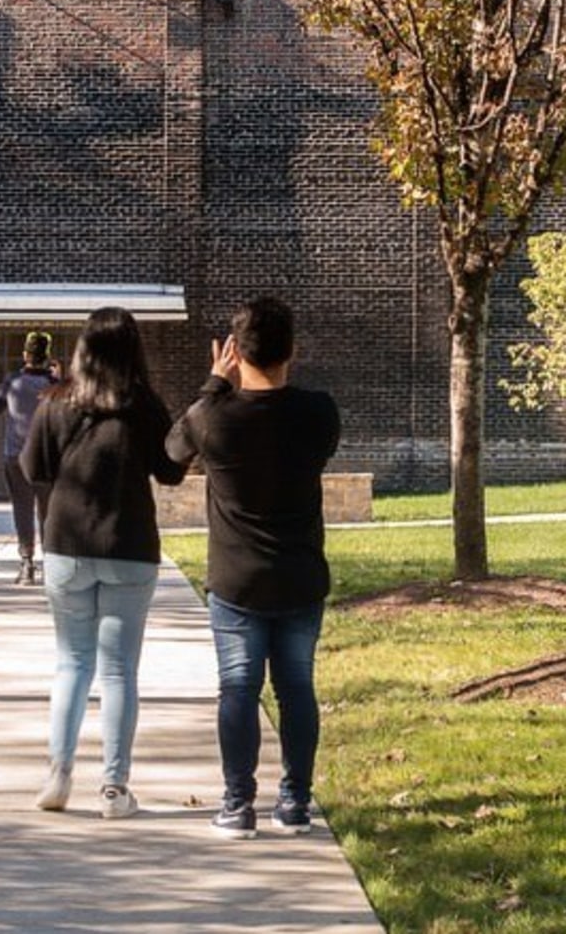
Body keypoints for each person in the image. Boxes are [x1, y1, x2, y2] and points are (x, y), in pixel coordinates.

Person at [165, 294, 341, 841]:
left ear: (234, 352)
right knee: (296, 688)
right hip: (301, 577)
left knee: (238, 688)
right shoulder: (319, 412)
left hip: (237, 581)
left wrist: (215, 384)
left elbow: (171, 453)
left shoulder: (212, 417)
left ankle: (238, 804)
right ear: (294, 349)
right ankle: (294, 803)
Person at [20, 307, 188, 819]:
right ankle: (114, 790)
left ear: (82, 348)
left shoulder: (55, 403)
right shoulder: (146, 407)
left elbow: (34, 469)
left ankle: (58, 772)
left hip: (67, 545)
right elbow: (172, 473)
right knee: (118, 672)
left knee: (71, 663)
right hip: (129, 547)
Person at [0, 330, 59, 584]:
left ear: (25, 355)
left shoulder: (12, 381)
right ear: (47, 356)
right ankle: (51, 564)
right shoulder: (54, 385)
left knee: (22, 508)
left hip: (15, 455)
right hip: (46, 459)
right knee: (47, 512)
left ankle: (27, 563)